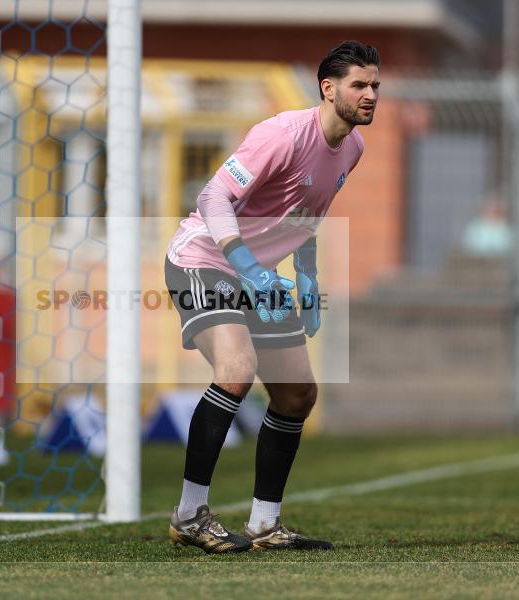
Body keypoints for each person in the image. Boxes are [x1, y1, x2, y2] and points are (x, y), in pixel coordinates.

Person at [163, 40, 380, 553]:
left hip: (260, 274)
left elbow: (306, 209)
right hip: (204, 259)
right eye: (359, 85)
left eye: (375, 86)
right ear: (329, 89)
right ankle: (189, 515)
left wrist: (306, 272)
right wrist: (245, 268)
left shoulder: (353, 148)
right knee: (236, 370)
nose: (371, 94)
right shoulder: (281, 134)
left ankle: (265, 523)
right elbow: (212, 196)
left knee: (297, 394)